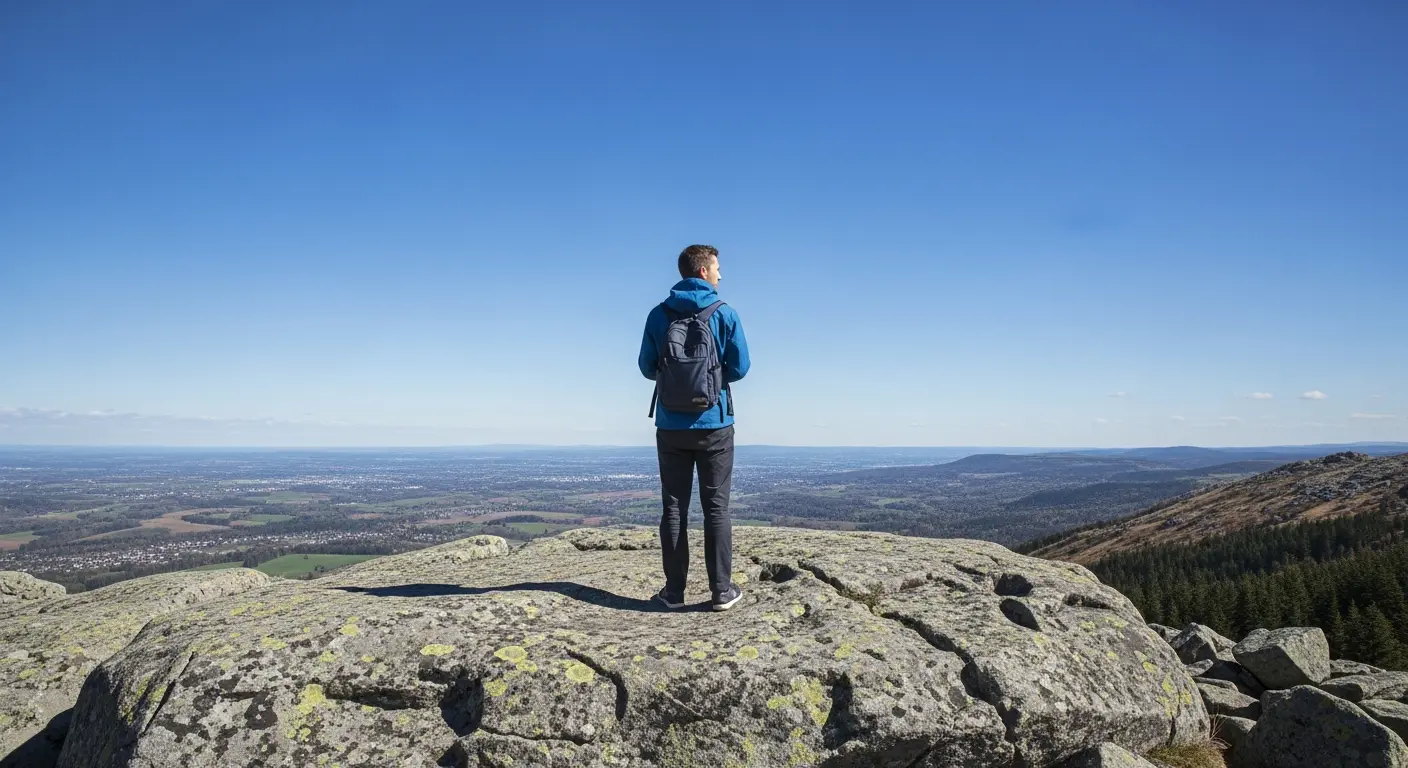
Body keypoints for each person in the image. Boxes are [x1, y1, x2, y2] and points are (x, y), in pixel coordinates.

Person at [638, 244, 751, 611]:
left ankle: (674, 593)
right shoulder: (724, 313)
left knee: (674, 508)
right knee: (716, 508)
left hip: (671, 425)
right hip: (715, 423)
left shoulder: (659, 315)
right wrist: (711, 380)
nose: (720, 274)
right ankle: (721, 591)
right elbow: (741, 367)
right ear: (703, 271)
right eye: (718, 267)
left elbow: (645, 366)